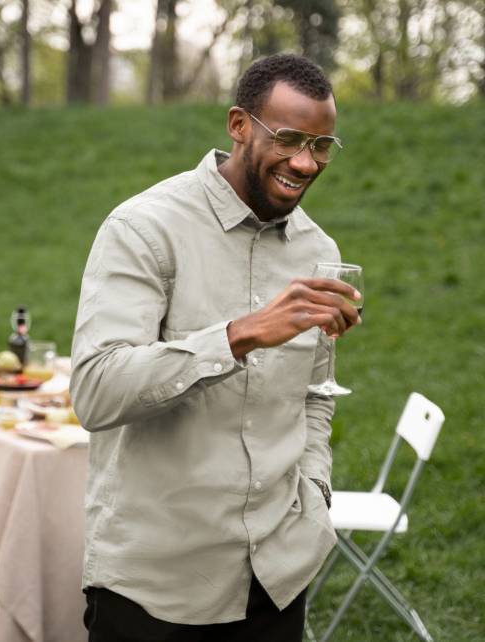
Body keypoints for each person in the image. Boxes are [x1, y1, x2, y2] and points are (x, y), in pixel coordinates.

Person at [70, 53, 361, 642]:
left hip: (278, 573)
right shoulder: (144, 228)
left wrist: (316, 487)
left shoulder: (318, 249)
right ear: (238, 125)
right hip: (159, 582)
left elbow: (315, 393)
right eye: (289, 138)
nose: (305, 162)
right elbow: (95, 392)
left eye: (322, 144)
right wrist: (239, 335)